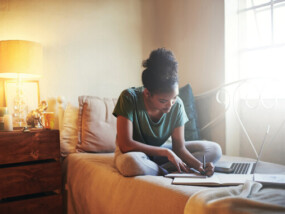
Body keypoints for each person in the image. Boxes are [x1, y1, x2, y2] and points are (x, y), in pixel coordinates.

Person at [113, 48, 222, 177]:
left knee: (214, 150)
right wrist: (165, 152)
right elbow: (126, 145)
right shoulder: (129, 98)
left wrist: (199, 166)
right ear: (147, 93)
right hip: (134, 153)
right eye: (163, 100)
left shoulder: (177, 105)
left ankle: (158, 169)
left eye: (174, 97)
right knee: (130, 164)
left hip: (160, 153)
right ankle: (168, 170)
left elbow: (179, 148)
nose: (170, 104)